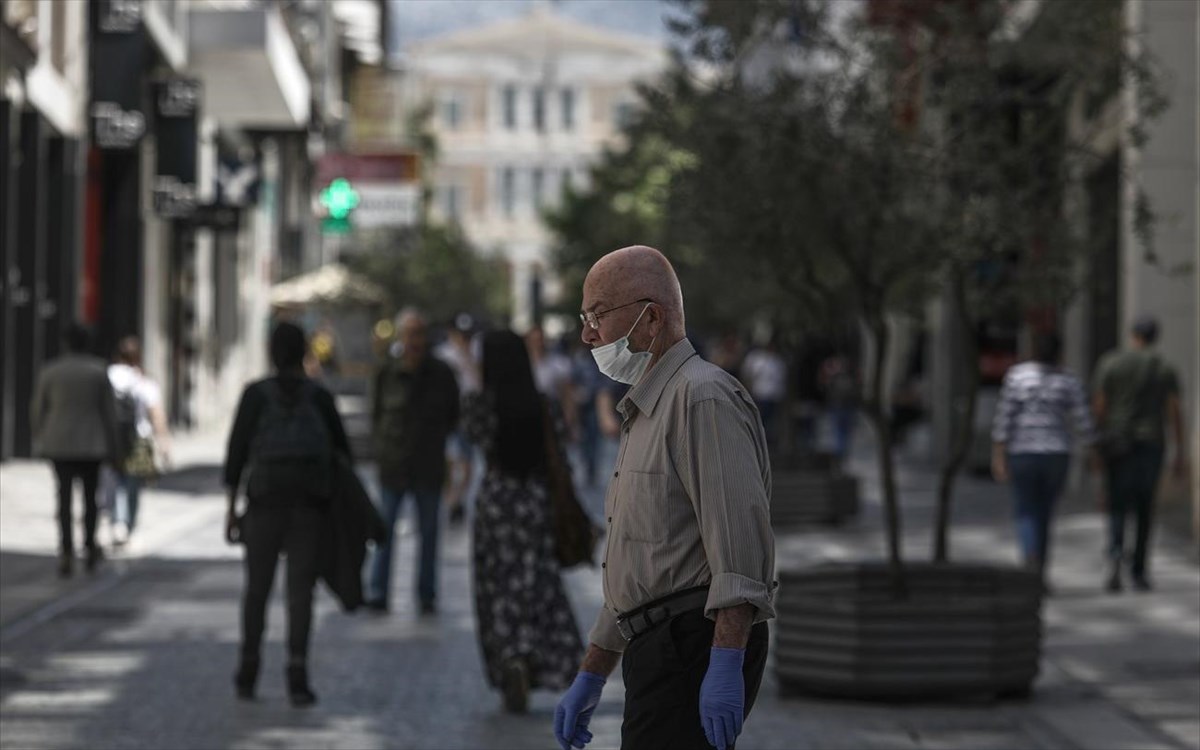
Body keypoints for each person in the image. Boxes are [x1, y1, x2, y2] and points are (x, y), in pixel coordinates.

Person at [554, 246, 776, 750]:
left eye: (597, 316)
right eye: (584, 318)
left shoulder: (702, 398)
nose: (588, 334)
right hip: (659, 647)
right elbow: (641, 559)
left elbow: (738, 550)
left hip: (691, 646)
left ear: (650, 318)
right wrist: (594, 669)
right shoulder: (650, 406)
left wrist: (723, 663)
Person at [224, 321, 352, 706]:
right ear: (304, 353)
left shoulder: (255, 396)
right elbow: (342, 454)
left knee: (257, 591)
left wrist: (232, 510)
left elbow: (236, 456)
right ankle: (297, 673)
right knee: (300, 594)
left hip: (264, 505)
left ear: (270, 351)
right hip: (308, 508)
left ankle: (249, 668)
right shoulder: (319, 397)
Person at [461, 330, 585, 713]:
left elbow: (475, 439)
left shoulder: (480, 405)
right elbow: (560, 448)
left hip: (496, 502)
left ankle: (509, 655)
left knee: (497, 584)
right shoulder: (541, 404)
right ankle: (537, 652)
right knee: (535, 580)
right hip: (534, 501)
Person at [367, 308, 460, 614]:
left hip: (428, 467)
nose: (414, 341)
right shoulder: (386, 372)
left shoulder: (442, 374)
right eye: (409, 334)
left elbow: (452, 417)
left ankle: (426, 593)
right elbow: (376, 415)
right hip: (393, 467)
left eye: (419, 334)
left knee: (430, 534)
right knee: (385, 532)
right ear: (400, 336)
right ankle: (378, 591)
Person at [1091, 316, 1188, 593]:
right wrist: (1180, 451)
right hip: (1150, 443)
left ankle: (1114, 560)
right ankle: (1140, 570)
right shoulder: (1164, 368)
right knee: (1145, 508)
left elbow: (1099, 406)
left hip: (1118, 442)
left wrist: (1096, 444)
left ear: (1133, 335)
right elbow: (1174, 411)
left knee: (1118, 506)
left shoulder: (1111, 363)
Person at [991, 333, 1094, 587]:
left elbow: (1004, 420)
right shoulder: (1067, 380)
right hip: (1056, 453)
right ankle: (1040, 569)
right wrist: (1092, 449)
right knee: (1045, 513)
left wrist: (998, 456)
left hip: (1022, 452)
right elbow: (1083, 421)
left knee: (1026, 509)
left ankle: (1030, 562)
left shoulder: (1017, 377)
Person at [31, 323, 121, 578]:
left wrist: (40, 436)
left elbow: (38, 408)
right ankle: (90, 546)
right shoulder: (98, 371)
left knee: (64, 498)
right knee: (91, 499)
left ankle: (66, 549)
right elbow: (109, 413)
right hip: (92, 444)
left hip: (60, 443)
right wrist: (115, 448)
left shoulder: (51, 371)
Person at [105, 336, 170, 546]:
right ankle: (128, 524)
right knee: (132, 486)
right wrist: (164, 445)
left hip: (112, 440)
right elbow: (156, 415)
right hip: (139, 439)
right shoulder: (144, 382)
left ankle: (117, 522)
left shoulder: (107, 376)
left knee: (113, 483)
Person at [435, 313, 482, 525]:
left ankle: (457, 499)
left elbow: (480, 385)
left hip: (469, 414)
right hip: (446, 415)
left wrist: (468, 359)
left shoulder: (477, 353)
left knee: (467, 464)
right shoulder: (442, 355)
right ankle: (451, 501)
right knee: (449, 463)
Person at [741, 336, 788, 452]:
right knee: (760, 421)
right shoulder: (757, 359)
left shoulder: (778, 361)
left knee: (771, 423)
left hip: (774, 396)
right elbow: (748, 375)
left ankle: (769, 445)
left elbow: (781, 379)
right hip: (760, 395)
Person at [820, 354, 858, 464]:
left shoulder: (834, 379)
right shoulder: (851, 379)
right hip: (846, 409)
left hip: (838, 409)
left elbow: (827, 391)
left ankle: (840, 453)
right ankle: (842, 453)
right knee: (844, 434)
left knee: (839, 433)